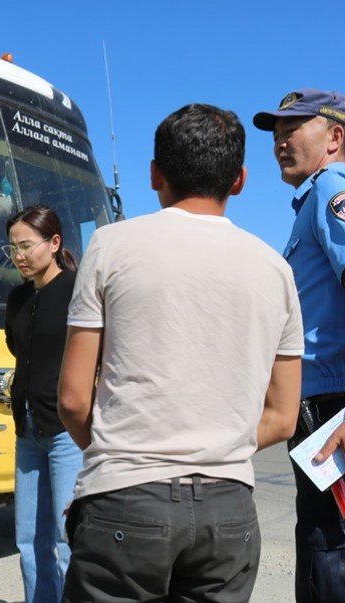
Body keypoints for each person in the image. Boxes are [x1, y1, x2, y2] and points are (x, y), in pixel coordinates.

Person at [58, 103, 304, 602]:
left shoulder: (110, 246)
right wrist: (217, 445)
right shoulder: (275, 270)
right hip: (229, 509)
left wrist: (116, 458)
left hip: (126, 499)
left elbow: (73, 399)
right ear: (239, 180)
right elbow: (282, 419)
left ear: (155, 174)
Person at [253, 88, 345, 602]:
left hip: (334, 409)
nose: (280, 142)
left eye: (293, 129)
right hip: (319, 407)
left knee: (328, 550)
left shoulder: (332, 189)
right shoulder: (312, 201)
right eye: (276, 134)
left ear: (334, 137)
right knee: (322, 544)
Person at [3, 205, 83, 603]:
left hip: (67, 430)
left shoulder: (77, 290)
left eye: (26, 246)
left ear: (54, 243)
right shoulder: (17, 298)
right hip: (27, 430)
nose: (18, 256)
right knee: (29, 538)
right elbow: (17, 350)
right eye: (12, 248)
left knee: (68, 536)